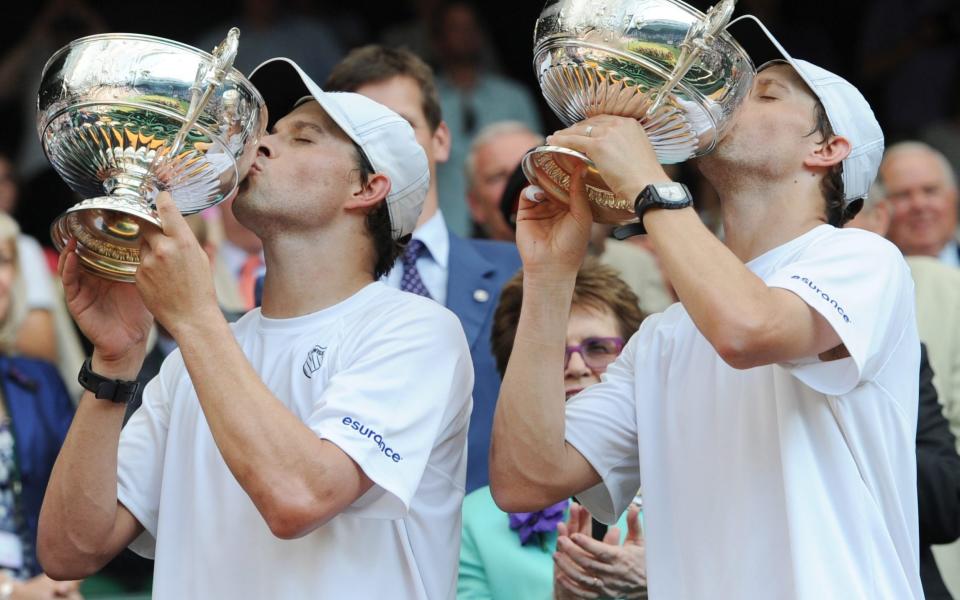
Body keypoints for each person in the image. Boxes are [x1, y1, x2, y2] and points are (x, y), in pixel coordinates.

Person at [490, 44, 923, 600]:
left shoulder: (861, 259)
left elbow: (748, 330)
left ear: (827, 148)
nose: (725, 102)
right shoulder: (664, 336)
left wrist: (650, 185)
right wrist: (550, 276)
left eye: (763, 94)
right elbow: (527, 478)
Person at [37, 58, 473, 599]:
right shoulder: (190, 360)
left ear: (367, 189)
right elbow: (68, 550)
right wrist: (115, 363)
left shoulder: (418, 330)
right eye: (267, 133)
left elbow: (299, 499)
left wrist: (195, 317)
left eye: (303, 138)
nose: (260, 145)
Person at [325, 45, 521, 493]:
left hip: (492, 537)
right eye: (363, 129)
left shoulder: (519, 270)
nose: (384, 141)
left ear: (441, 140)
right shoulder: (303, 288)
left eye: (403, 124)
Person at [459, 259, 647, 599]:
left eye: (598, 348)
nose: (576, 366)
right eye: (552, 355)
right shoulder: (474, 521)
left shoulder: (685, 495)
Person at [0, 213, 80, 599]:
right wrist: (12, 592)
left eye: (3, 260)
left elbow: (80, 498)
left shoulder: (40, 380)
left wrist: (61, 583)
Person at [432, 1, 542, 236]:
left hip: (516, 223)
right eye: (455, 28)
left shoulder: (513, 96)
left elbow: (539, 162)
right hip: (450, 228)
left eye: (470, 28)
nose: (464, 36)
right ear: (438, 39)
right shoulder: (428, 101)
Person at [878, 141, 959, 267]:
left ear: (953, 196)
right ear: (880, 210)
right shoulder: (868, 273)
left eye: (930, 191)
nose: (919, 205)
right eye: (903, 195)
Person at [465, 121, 544, 242]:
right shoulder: (462, 260)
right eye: (498, 177)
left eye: (530, 168)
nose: (519, 186)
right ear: (475, 204)